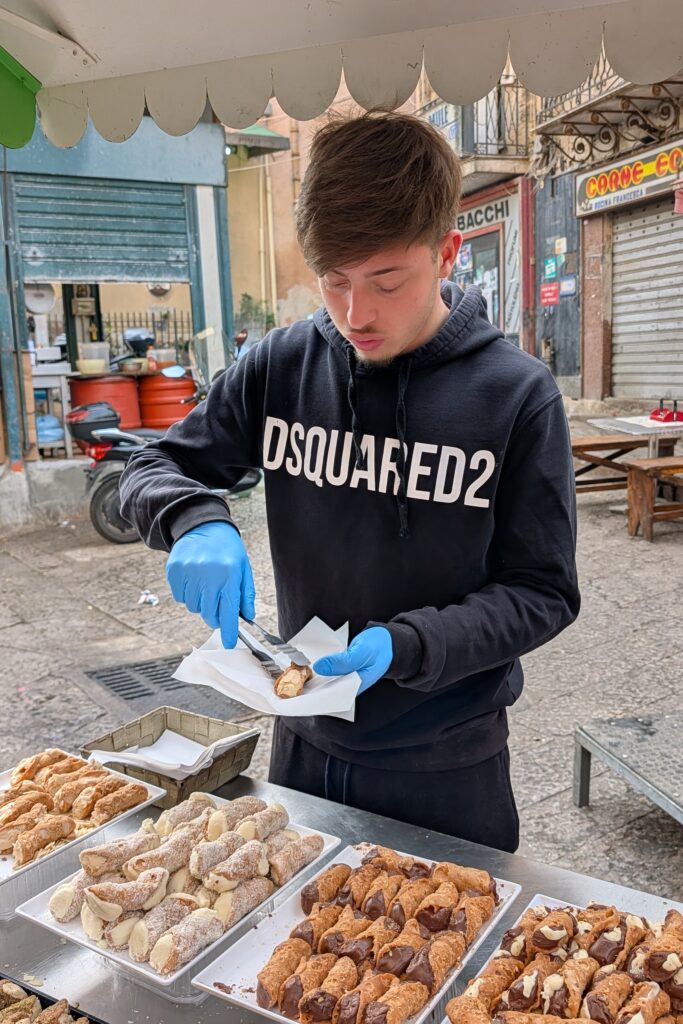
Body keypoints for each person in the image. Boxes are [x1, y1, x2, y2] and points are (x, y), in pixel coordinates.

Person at [120, 111, 580, 853]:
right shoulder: (281, 365)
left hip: (445, 766)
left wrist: (408, 645)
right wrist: (191, 518)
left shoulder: (516, 395)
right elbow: (153, 465)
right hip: (300, 745)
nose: (355, 314)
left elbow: (543, 592)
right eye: (332, 282)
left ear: (447, 252)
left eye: (386, 281)